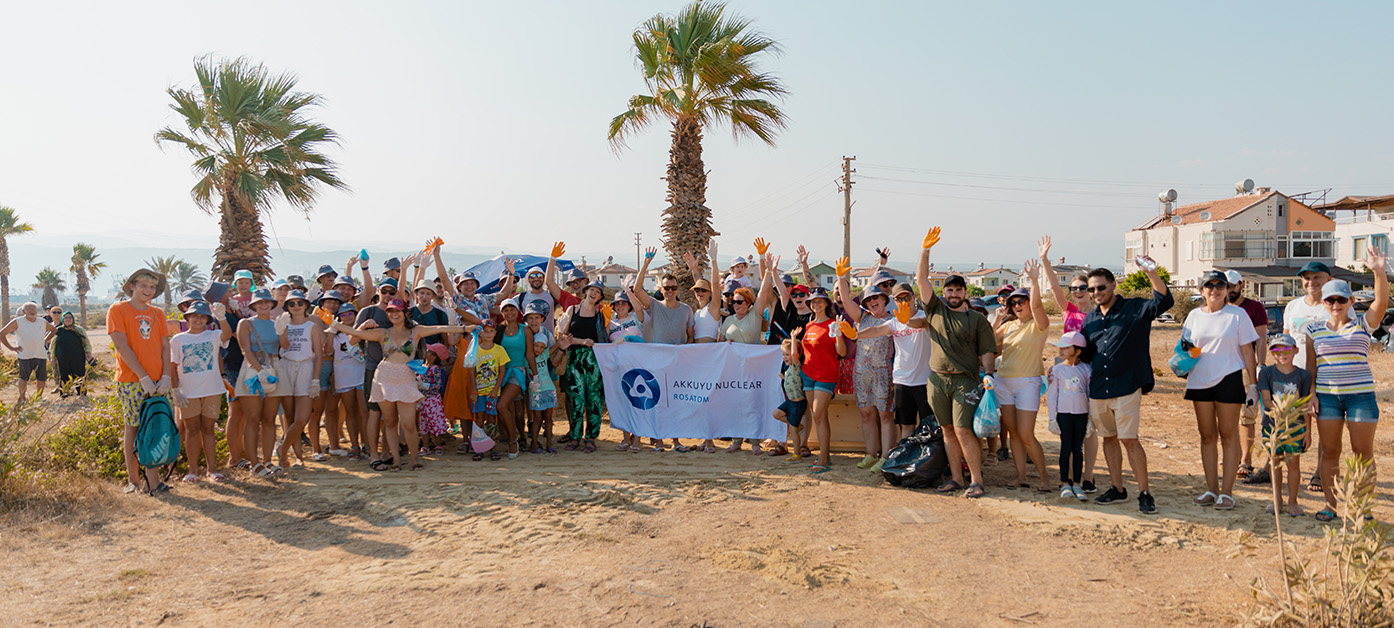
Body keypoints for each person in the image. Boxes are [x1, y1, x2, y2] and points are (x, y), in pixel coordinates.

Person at [330, 298, 470, 471]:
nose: (393, 314)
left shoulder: (415, 331)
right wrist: (334, 325)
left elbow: (440, 328)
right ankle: (396, 460)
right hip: (384, 377)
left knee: (409, 424)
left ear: (405, 313)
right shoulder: (382, 332)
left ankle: (414, 459)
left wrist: (464, 328)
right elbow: (357, 335)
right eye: (390, 311)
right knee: (389, 422)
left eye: (397, 311)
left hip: (406, 378)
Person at [1080, 257, 1172, 514]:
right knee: (1108, 438)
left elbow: (1164, 302)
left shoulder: (1135, 308)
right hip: (1098, 389)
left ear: (1113, 285)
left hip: (1127, 386)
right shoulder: (1090, 320)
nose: (1096, 293)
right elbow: (1086, 355)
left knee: (1129, 439)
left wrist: (1152, 273)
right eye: (1092, 289)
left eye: (1101, 287)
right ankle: (1118, 488)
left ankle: (1145, 492)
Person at [914, 228, 997, 498]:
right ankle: (957, 479)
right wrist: (925, 250)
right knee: (947, 431)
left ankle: (977, 481)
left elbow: (987, 350)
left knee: (963, 430)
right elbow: (921, 279)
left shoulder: (977, 319)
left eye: (958, 289)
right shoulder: (934, 309)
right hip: (936, 380)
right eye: (949, 289)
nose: (953, 293)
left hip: (965, 381)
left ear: (964, 292)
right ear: (944, 291)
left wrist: (989, 375)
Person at [1306, 248, 1388, 522]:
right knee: (1330, 452)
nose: (1336, 304)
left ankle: (1362, 509)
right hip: (1327, 399)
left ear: (1351, 301)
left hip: (1361, 398)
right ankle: (1330, 506)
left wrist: (1378, 271)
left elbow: (1381, 302)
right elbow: (1311, 368)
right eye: (1330, 299)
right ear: (1324, 302)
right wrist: (1312, 395)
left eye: (1341, 299)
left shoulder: (1364, 325)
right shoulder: (1314, 330)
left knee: (1362, 454)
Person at [1183, 270, 1260, 511]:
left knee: (1228, 435)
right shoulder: (1194, 316)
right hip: (1199, 381)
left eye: (1220, 285)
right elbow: (1185, 347)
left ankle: (1227, 493)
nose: (1214, 290)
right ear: (1202, 290)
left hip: (1228, 379)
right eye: (1209, 286)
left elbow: (1248, 351)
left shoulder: (1237, 315)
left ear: (1228, 290)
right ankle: (1211, 489)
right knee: (1207, 436)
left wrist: (1253, 385)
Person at [1038, 236, 1100, 491]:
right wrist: (1044, 260)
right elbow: (1054, 287)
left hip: (1091, 368)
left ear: (1091, 289)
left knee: (1091, 427)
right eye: (1073, 288)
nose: (1077, 292)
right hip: (1066, 367)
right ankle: (1070, 476)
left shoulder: (1099, 313)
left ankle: (1087, 476)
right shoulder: (1068, 310)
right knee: (1069, 426)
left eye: (1081, 288)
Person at [107, 269, 172, 494]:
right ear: (132, 286)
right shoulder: (118, 310)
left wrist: (166, 376)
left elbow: (165, 346)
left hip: (158, 381)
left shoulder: (158, 313)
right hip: (131, 380)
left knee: (155, 427)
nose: (148, 290)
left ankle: (153, 482)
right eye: (144, 285)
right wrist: (142, 376)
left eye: (152, 287)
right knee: (134, 428)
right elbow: (121, 346)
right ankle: (133, 481)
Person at [993, 262, 1053, 492]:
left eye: (1021, 301)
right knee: (1014, 434)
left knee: (1027, 433)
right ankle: (1021, 477)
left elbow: (1038, 307)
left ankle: (1044, 476)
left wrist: (1035, 280)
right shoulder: (1008, 326)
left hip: (1028, 382)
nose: (1017, 306)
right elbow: (989, 342)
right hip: (1004, 382)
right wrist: (998, 319)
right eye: (1013, 303)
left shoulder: (1038, 325)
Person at [631, 247, 695, 451]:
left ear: (678, 289)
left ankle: (676, 441)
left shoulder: (686, 310)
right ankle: (658, 440)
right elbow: (637, 289)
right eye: (666, 288)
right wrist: (646, 264)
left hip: (677, 363)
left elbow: (691, 337)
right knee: (657, 400)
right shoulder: (655, 306)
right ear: (661, 289)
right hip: (656, 362)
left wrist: (686, 353)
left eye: (673, 288)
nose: (669, 291)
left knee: (675, 402)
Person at [835, 260, 895, 472]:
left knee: (885, 416)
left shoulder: (894, 320)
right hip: (861, 374)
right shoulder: (862, 317)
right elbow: (845, 301)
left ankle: (886, 457)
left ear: (884, 299)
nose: (872, 302)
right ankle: (871, 454)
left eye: (875, 297)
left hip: (884, 374)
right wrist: (841, 278)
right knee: (866, 414)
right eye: (868, 299)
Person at [1281, 261, 1332, 493]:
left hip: (1327, 376)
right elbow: (1286, 341)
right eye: (1307, 278)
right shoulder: (1293, 307)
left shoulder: (1334, 305)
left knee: (1325, 426)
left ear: (1327, 279)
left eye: (1317, 277)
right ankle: (1293, 473)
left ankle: (1320, 473)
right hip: (1296, 376)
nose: (1311, 282)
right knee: (1296, 426)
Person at [170, 300, 233, 483]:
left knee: (208, 429)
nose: (198, 319)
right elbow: (173, 367)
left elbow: (227, 335)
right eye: (194, 315)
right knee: (191, 429)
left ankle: (212, 470)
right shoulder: (178, 339)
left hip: (212, 390)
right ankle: (192, 470)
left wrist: (222, 318)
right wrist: (175, 390)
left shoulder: (213, 335)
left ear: (207, 319)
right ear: (187, 317)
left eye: (202, 316)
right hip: (187, 393)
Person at [719, 254, 777, 454]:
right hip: (733, 370)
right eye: (734, 302)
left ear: (749, 303)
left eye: (740, 302)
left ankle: (753, 442)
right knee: (735, 404)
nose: (736, 305)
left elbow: (763, 293)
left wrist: (768, 271)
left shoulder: (754, 315)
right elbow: (720, 346)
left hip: (753, 370)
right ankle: (736, 440)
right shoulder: (727, 321)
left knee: (752, 405)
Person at [1256, 334, 1314, 517]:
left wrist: (1308, 432)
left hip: (1295, 428)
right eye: (1277, 349)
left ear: (1296, 350)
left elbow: (1305, 406)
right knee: (1275, 463)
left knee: (1294, 464)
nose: (1282, 353)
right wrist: (1283, 410)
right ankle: (1277, 500)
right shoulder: (1267, 373)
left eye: (1287, 349)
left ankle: (1293, 501)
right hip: (1272, 426)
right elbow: (1266, 400)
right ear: (1272, 353)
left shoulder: (1303, 375)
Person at [234, 288, 289, 477]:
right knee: (252, 418)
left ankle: (268, 461)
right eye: (259, 302)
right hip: (252, 370)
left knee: (269, 419)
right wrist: (260, 371)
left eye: (267, 302)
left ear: (272, 304)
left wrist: (281, 331)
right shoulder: (246, 323)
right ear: (254, 305)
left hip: (274, 369)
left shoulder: (277, 323)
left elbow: (285, 346)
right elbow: (245, 350)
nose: (264, 305)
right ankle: (254, 463)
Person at [1223, 269, 1269, 479]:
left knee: (1247, 415)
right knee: (1226, 415)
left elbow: (1260, 338)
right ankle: (1232, 456)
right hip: (1223, 366)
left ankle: (1245, 460)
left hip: (1245, 367)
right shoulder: (1218, 307)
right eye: (1226, 286)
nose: (1229, 290)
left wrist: (1260, 364)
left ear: (1241, 285)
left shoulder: (1254, 307)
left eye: (1233, 286)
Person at [791, 286, 841, 474]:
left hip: (826, 375)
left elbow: (841, 352)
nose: (816, 303)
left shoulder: (832, 324)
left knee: (819, 414)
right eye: (813, 301)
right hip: (808, 374)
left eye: (820, 300)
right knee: (816, 415)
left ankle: (824, 457)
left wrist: (838, 335)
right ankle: (823, 455)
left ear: (826, 303)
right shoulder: (809, 325)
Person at [275, 290, 327, 469]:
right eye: (291, 304)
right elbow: (285, 347)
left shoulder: (312, 326)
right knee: (289, 418)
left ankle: (282, 449)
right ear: (287, 307)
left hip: (306, 368)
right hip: (286, 367)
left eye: (299, 303)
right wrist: (281, 331)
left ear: (306, 305)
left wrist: (315, 379)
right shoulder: (284, 324)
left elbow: (319, 355)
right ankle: (297, 458)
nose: (296, 307)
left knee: (301, 419)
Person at [557, 280, 609, 453]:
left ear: (600, 297)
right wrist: (582, 342)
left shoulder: (600, 315)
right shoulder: (572, 310)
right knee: (576, 399)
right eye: (591, 290)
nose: (593, 294)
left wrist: (607, 325)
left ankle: (591, 438)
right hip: (575, 359)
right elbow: (561, 335)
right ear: (586, 292)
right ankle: (575, 436)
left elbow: (605, 340)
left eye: (597, 292)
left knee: (594, 399)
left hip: (595, 361)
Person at [1046, 331, 1091, 500]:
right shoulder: (1057, 370)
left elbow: (1089, 394)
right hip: (1063, 415)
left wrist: (1091, 419)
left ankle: (1077, 484)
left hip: (1081, 415)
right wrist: (1052, 418)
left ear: (1077, 351)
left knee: (1078, 450)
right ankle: (1065, 483)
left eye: (1066, 347)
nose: (1061, 350)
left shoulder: (1087, 370)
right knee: (1065, 449)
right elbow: (1052, 395)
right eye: (1061, 347)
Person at [523, 301, 562, 453]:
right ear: (526, 319)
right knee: (532, 412)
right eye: (530, 318)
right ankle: (531, 440)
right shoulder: (523, 332)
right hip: (529, 377)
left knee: (546, 416)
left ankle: (546, 442)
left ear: (542, 319)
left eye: (536, 318)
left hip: (546, 379)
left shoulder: (546, 334)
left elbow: (551, 354)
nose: (534, 321)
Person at [330, 304, 367, 459]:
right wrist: (331, 332)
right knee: (350, 412)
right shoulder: (336, 335)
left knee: (364, 412)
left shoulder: (363, 332)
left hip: (362, 375)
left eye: (351, 313)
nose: (348, 317)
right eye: (343, 315)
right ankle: (355, 446)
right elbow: (326, 351)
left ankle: (367, 444)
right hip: (343, 378)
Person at [495, 298, 530, 457]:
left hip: (518, 372)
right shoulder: (498, 330)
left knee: (503, 406)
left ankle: (513, 441)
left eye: (512, 309)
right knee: (514, 410)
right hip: (501, 373)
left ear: (518, 311)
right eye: (506, 310)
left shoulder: (525, 330)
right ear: (502, 313)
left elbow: (529, 353)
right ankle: (520, 436)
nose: (509, 312)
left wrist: (535, 376)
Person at [1, 302, 56, 404]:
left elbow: (53, 330)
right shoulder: (18, 322)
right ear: (23, 311)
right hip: (24, 355)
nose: (32, 311)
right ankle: (22, 398)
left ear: (37, 311)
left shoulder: (42, 322)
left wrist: (45, 340)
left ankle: (39, 397)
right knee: (23, 378)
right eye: (29, 309)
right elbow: (2, 334)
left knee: (41, 378)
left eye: (34, 309)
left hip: (40, 354)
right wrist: (11, 348)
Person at [469, 319, 508, 460]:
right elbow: (471, 372)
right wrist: (473, 391)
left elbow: (502, 371)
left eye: (491, 331)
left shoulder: (499, 350)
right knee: (479, 420)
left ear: (495, 332)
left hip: (492, 393)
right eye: (485, 331)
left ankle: (492, 448)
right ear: (481, 333)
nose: (488, 334)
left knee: (492, 419)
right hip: (478, 392)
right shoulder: (475, 349)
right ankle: (479, 448)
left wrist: (496, 390)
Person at [772, 339, 810, 461]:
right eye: (783, 355)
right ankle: (797, 425)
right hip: (790, 402)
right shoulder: (788, 369)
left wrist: (793, 338)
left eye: (787, 354)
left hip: (798, 403)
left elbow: (794, 354)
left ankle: (797, 454)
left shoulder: (795, 365)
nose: (785, 357)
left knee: (793, 431)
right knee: (776, 414)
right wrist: (784, 377)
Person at [46, 311, 92, 397]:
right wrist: (52, 357)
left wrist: (89, 354)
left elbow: (86, 343)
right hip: (62, 357)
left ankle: (81, 393)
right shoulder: (58, 330)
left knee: (79, 374)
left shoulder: (79, 330)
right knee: (64, 375)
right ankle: (64, 393)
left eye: (70, 318)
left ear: (73, 319)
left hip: (78, 357)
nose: (68, 319)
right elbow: (53, 345)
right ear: (63, 319)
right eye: (66, 318)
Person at [417, 343, 450, 455]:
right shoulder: (422, 367)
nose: (426, 352)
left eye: (429, 351)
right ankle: (425, 446)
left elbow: (438, 385)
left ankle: (438, 445)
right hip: (423, 400)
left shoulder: (436, 369)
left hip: (432, 401)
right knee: (424, 424)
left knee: (435, 423)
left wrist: (426, 386)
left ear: (434, 356)